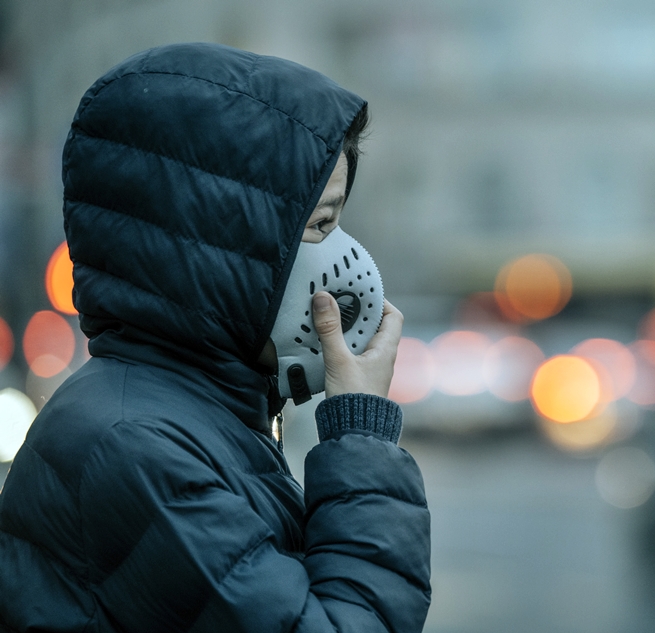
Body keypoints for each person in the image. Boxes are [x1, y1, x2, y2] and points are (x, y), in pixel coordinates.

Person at [0, 43, 430, 632]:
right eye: (320, 225)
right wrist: (360, 428)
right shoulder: (135, 448)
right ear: (219, 250)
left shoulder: (179, 420)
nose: (344, 259)